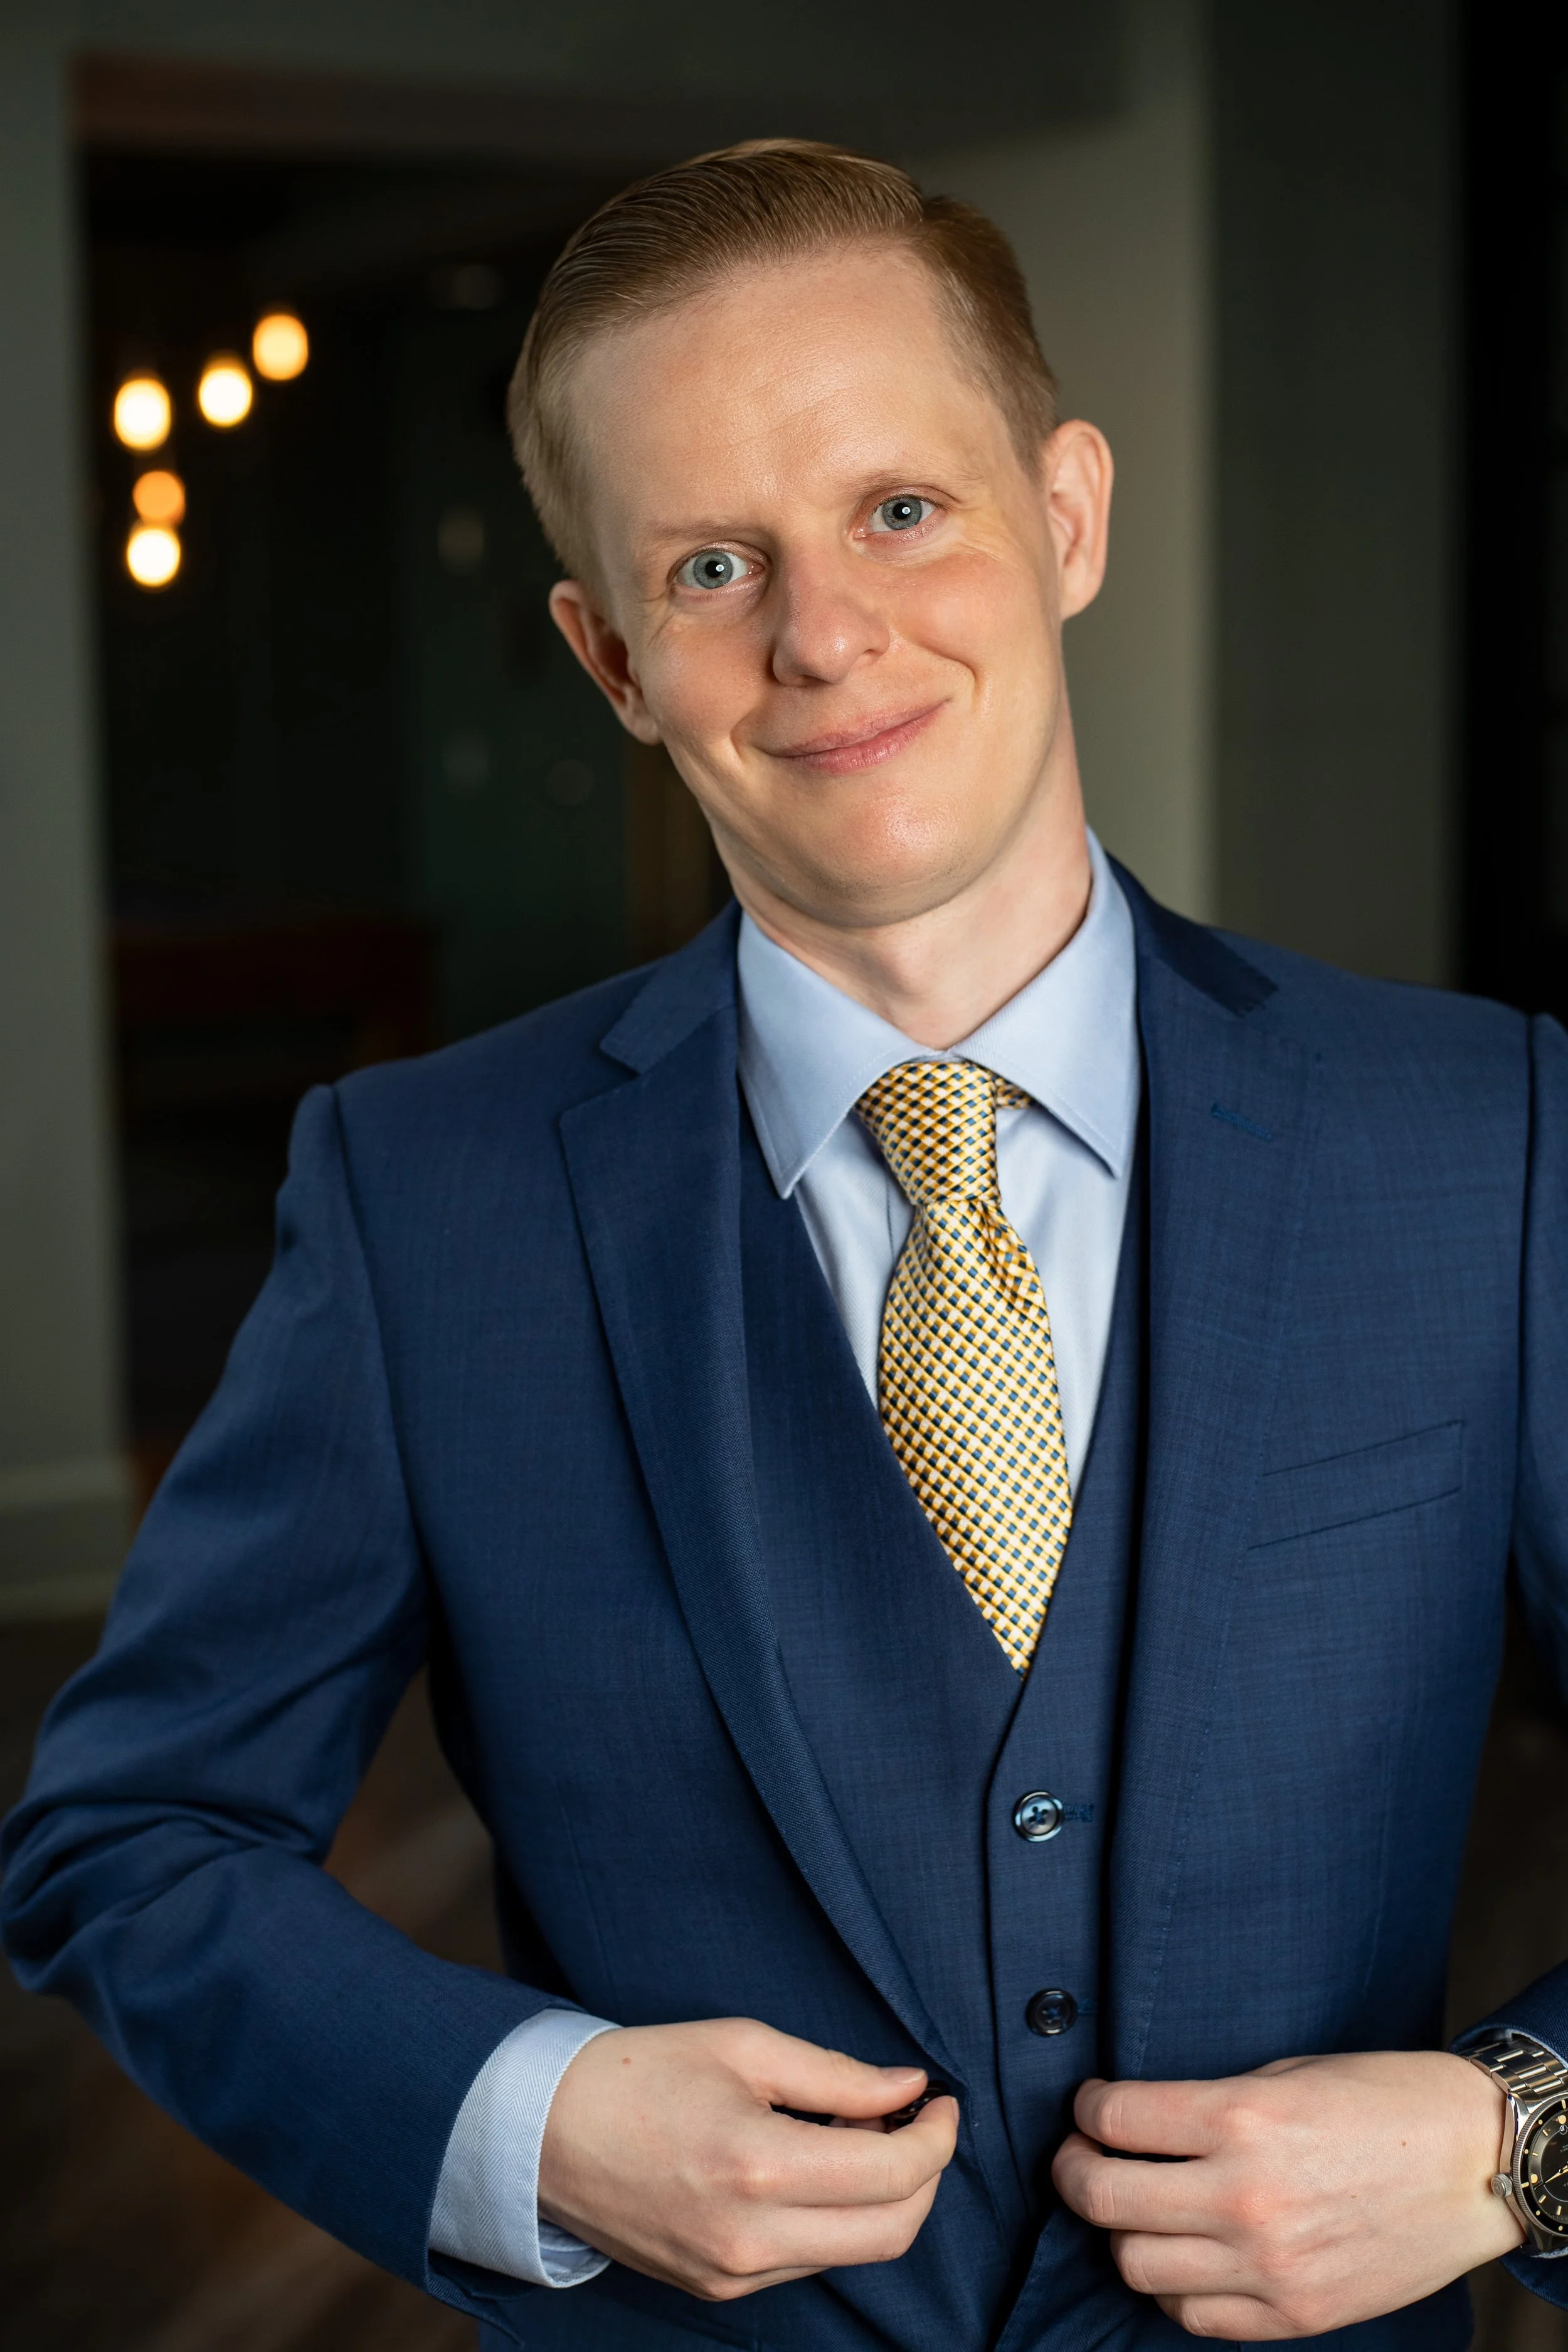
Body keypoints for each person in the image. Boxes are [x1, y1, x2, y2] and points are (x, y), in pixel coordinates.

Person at [5, 138, 1567, 2352]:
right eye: (714, 564)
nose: (824, 635)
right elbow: (125, 1835)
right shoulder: (422, 1192)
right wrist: (532, 2117)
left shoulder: (1483, 1134)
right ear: (610, 657)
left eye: (899, 511)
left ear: (1069, 515)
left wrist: (1515, 2141)